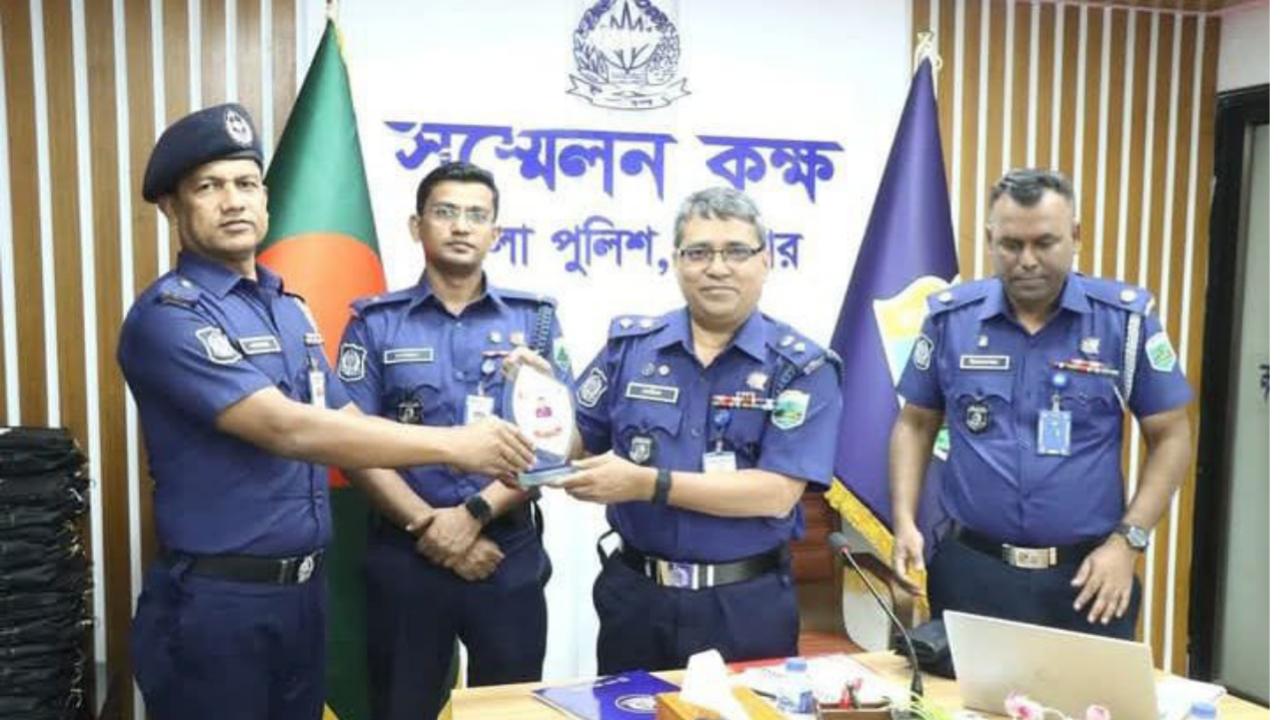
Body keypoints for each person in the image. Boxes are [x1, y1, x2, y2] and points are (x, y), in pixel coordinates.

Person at [117, 105, 535, 720]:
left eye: (246, 183)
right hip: (219, 605)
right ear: (172, 208)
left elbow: (347, 424)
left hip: (304, 598)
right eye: (209, 187)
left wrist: (437, 515)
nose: (233, 202)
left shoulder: (288, 309)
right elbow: (285, 427)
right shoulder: (169, 316)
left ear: (265, 200)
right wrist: (456, 444)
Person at [889, 168, 1193, 639]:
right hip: (972, 572)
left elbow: (1171, 435)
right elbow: (915, 423)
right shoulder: (951, 319)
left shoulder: (1124, 321)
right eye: (1011, 245)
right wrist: (905, 520)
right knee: (962, 690)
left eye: (1044, 243)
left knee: (1088, 689)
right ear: (990, 240)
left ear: (1076, 236)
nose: (1027, 261)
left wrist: (1128, 541)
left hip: (1087, 578)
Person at [562, 187, 843, 673]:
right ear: (676, 261)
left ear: (766, 261)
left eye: (736, 251)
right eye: (699, 253)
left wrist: (648, 484)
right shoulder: (630, 349)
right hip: (637, 599)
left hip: (744, 605)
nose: (717, 268)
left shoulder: (801, 367)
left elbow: (776, 494)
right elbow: (572, 445)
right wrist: (538, 398)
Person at [337, 162, 572, 719]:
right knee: (400, 708)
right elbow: (352, 440)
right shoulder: (376, 322)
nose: (461, 226)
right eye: (445, 212)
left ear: (496, 232)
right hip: (406, 549)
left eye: (476, 215)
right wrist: (428, 525)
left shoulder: (536, 322)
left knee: (508, 711)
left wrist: (472, 516)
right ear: (416, 226)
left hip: (505, 549)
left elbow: (555, 444)